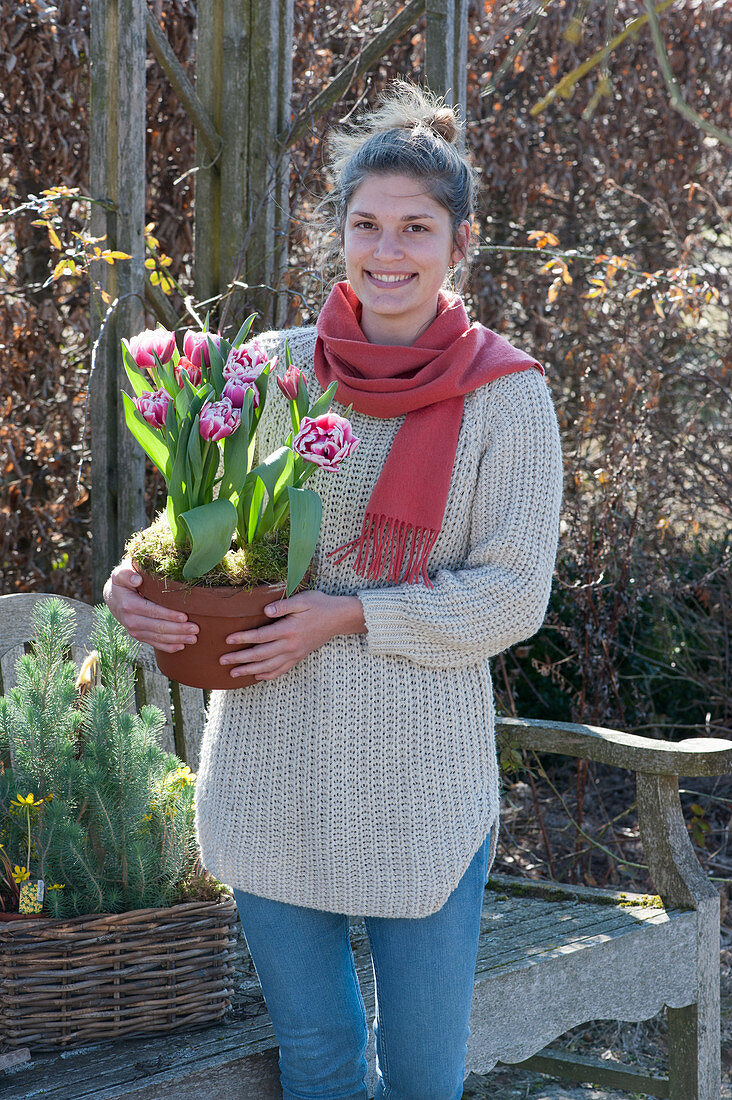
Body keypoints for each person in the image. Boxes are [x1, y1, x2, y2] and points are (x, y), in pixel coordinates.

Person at [104, 83, 563, 1100]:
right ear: (339, 234)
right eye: (366, 224)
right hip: (269, 770)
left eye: (415, 228)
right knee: (316, 1057)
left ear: (461, 243)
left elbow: (513, 594)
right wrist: (133, 580)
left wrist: (350, 612)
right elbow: (199, 525)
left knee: (423, 1075)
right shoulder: (272, 368)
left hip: (424, 790)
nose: (387, 250)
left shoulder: (507, 395)